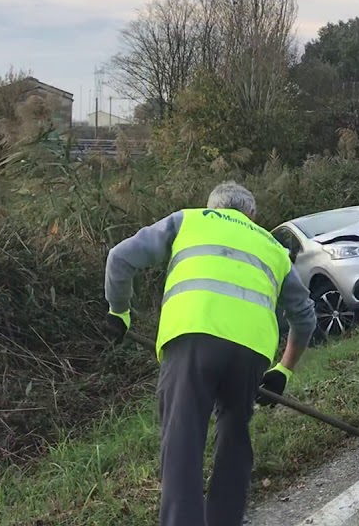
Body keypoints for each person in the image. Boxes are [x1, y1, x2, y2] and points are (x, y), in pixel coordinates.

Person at [100, 181, 317, 526]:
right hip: (252, 351)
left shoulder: (189, 220)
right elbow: (304, 316)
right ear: (252, 215)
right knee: (234, 434)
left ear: (211, 206)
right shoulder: (273, 247)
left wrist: (119, 312)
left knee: (183, 438)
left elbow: (120, 257)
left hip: (193, 338)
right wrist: (284, 370)